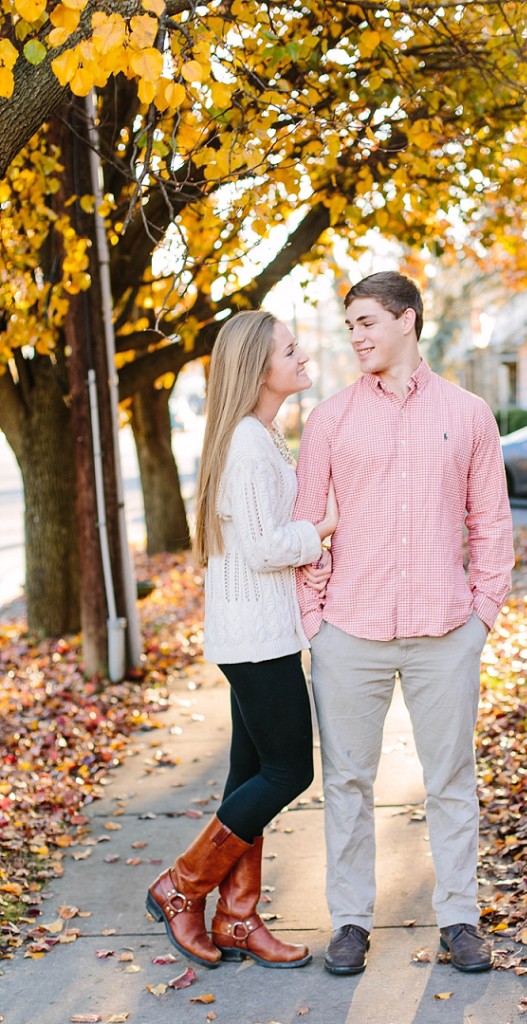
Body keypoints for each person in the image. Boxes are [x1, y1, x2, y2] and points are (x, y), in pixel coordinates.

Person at [294, 271, 514, 976]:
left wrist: (481, 614)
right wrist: (314, 621)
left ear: (407, 320)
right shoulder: (327, 418)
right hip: (348, 632)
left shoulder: (470, 413)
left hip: (445, 631)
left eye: (366, 322)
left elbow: (491, 522)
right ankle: (351, 921)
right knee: (348, 784)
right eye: (350, 324)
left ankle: (458, 918)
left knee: (450, 778)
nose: (355, 336)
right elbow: (307, 527)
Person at [146, 310, 336, 970]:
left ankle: (235, 918)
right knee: (289, 770)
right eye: (290, 349)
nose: (302, 355)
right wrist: (324, 527)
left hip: (256, 629)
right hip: (256, 636)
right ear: (260, 369)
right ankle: (181, 886)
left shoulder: (257, 436)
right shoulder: (248, 446)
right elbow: (261, 549)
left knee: (248, 776)